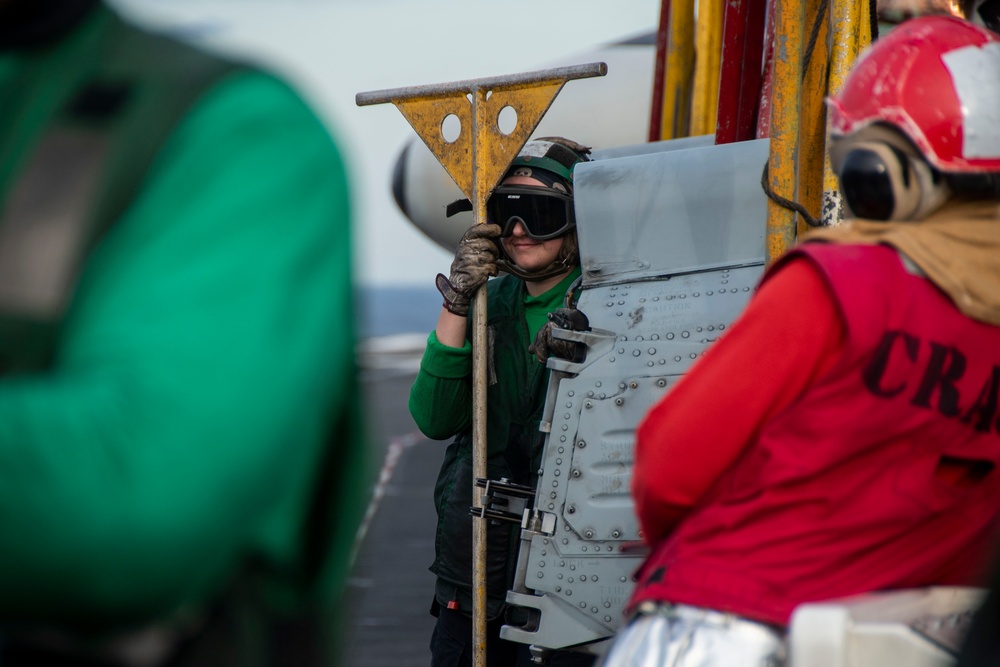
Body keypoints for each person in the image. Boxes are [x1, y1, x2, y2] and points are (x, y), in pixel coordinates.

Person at [600, 15, 1000, 667]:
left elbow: (670, 467)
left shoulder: (841, 280)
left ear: (883, 174)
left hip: (726, 626)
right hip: (903, 642)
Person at [0, 1, 365, 665]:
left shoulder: (232, 128)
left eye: (538, 212)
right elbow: (441, 408)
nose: (519, 230)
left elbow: (130, 498)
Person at [408, 137, 597, 667]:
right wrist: (459, 301)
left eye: (538, 214)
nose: (517, 233)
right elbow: (433, 417)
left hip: (570, 577)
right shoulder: (489, 303)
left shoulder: (611, 305)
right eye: (506, 215)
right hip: (474, 571)